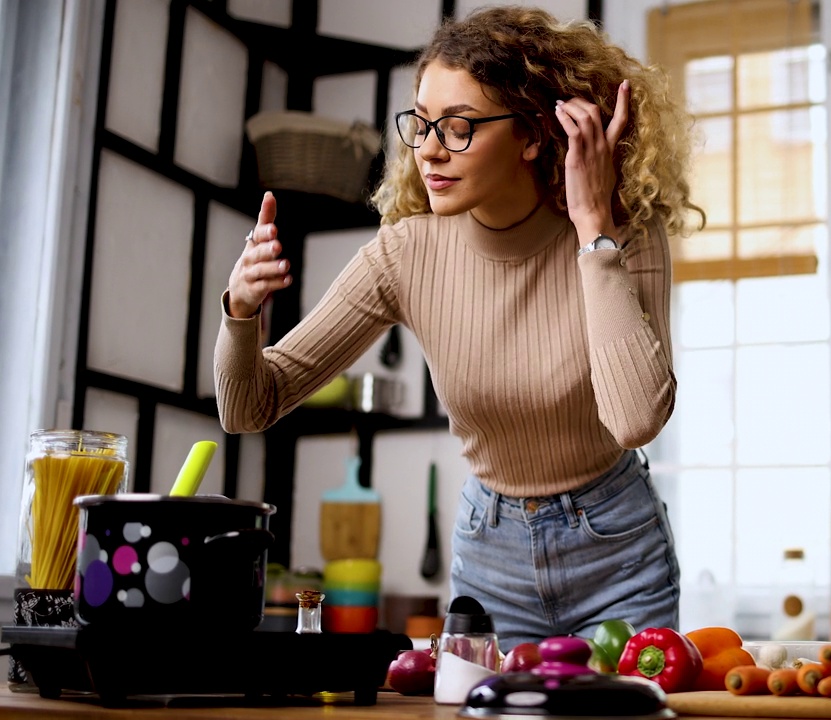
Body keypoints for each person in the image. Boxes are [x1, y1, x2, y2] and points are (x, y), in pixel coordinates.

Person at [214, 6, 704, 649]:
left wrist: (592, 232)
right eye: (421, 124)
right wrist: (241, 314)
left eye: (460, 127)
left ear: (533, 134)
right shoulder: (403, 255)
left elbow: (637, 418)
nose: (429, 150)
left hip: (618, 554)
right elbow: (249, 406)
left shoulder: (625, 234)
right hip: (490, 558)